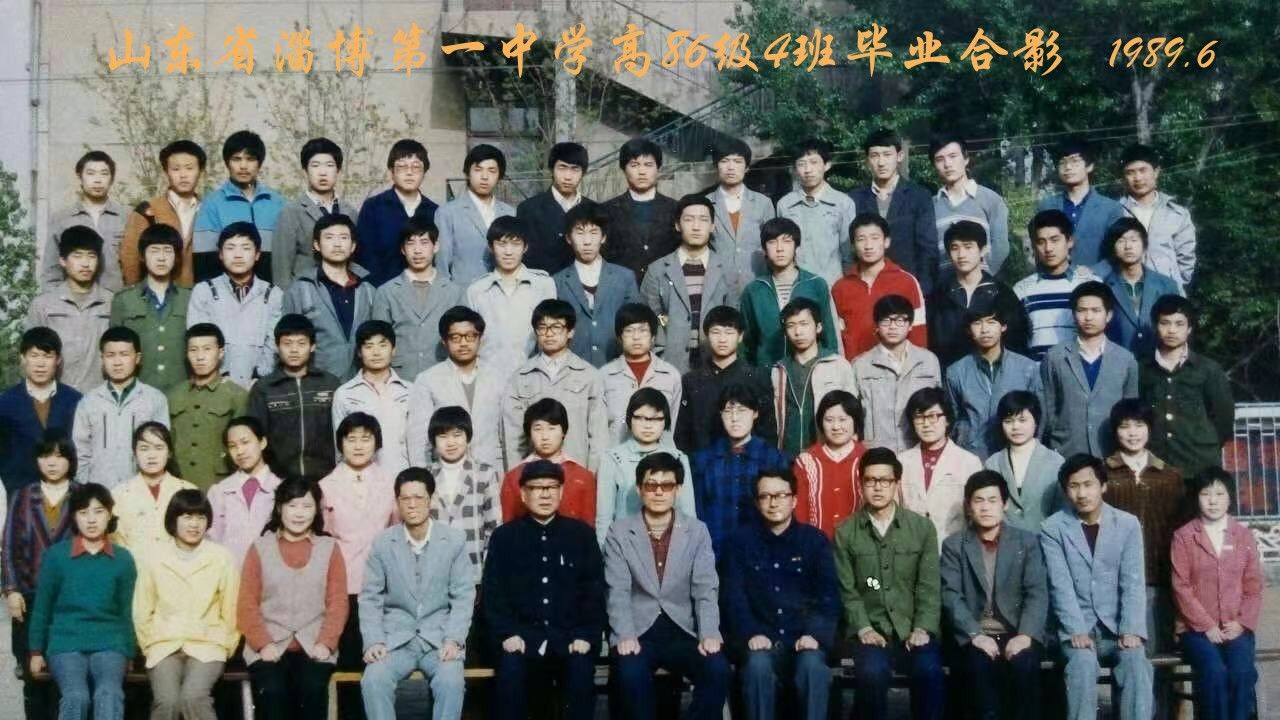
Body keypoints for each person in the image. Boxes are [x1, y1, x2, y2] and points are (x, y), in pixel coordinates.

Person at [605, 451, 730, 720]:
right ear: (639, 489)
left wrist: (709, 632)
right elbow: (618, 591)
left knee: (717, 668)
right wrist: (625, 634)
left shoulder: (697, 531)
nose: (659, 492)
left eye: (667, 485)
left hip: (683, 629)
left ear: (678, 489)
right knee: (630, 673)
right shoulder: (619, 532)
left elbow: (706, 589)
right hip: (639, 630)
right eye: (651, 485)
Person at [483, 460, 606, 720]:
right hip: (521, 636)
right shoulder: (504, 537)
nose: (545, 494)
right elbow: (494, 594)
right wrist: (507, 633)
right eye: (537, 488)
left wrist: (585, 635)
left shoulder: (581, 535)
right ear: (523, 494)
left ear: (561, 492)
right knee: (510, 675)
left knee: (581, 673)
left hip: (570, 637)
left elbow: (593, 592)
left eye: (551, 487)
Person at [1041, 454, 1154, 720]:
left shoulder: (1127, 524)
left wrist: (1131, 629)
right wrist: (1075, 630)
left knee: (1136, 662)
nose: (1081, 493)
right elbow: (1060, 586)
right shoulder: (1053, 528)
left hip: (1117, 629)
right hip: (1078, 628)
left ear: (1103, 486)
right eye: (1073, 486)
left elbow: (1133, 582)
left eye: (1088, 484)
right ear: (1065, 491)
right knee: (1081, 664)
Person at [833, 447, 943, 720]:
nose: (878, 487)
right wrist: (864, 628)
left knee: (929, 671)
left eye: (885, 480)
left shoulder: (922, 529)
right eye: (870, 480)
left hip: (913, 629)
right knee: (872, 673)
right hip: (870, 630)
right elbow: (848, 589)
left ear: (897, 483)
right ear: (861, 484)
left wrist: (922, 628)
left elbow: (929, 586)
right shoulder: (845, 532)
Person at [359, 467, 475, 720]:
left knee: (451, 681)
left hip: (439, 640)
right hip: (396, 641)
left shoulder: (453, 541)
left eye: (419, 498)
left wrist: (454, 639)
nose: (412, 505)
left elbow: (464, 596)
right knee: (373, 679)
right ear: (397, 502)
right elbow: (370, 597)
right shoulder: (383, 543)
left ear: (430, 499)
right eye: (405, 498)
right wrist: (374, 640)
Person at [723, 469, 838, 720]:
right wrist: (751, 633)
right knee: (757, 666)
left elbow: (828, 595)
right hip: (760, 640)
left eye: (781, 495)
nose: (773, 502)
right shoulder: (739, 542)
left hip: (803, 639)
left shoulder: (815, 541)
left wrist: (814, 634)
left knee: (813, 667)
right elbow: (733, 597)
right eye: (765, 496)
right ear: (757, 503)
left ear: (794, 500)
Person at [939, 470, 1048, 720]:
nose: (985, 507)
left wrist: (1025, 635)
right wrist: (975, 635)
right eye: (978, 500)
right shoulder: (954, 545)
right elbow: (951, 596)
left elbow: (1037, 593)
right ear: (968, 506)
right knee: (977, 673)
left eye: (992, 500)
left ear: (1005, 504)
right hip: (974, 634)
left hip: (1016, 631)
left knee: (1024, 667)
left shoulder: (1027, 542)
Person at [238, 477, 348, 720]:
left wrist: (326, 643)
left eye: (306, 506)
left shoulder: (329, 547)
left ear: (316, 510)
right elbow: (247, 603)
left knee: (312, 689)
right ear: (279, 508)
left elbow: (338, 602)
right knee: (272, 692)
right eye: (292, 505)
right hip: (268, 645)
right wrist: (262, 644)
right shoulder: (259, 547)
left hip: (315, 645)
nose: (299, 513)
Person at [27, 483, 138, 720]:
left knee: (109, 693)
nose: (91, 520)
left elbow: (126, 611)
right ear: (74, 517)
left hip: (110, 643)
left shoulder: (123, 559)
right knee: (76, 695)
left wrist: (129, 652)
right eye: (83, 512)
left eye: (98, 512)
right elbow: (42, 608)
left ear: (109, 514)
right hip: (66, 643)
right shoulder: (56, 556)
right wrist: (36, 651)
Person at [132, 488, 239, 720]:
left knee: (193, 697)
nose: (194, 524)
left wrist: (225, 643)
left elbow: (231, 609)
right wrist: (149, 644)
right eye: (187, 517)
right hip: (164, 644)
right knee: (167, 701)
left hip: (207, 644)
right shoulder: (154, 557)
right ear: (174, 519)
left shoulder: (221, 557)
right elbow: (142, 609)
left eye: (201, 517)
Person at [1171, 467, 1262, 720]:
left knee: (1242, 672)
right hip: (1195, 630)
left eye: (1220, 494)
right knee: (1214, 672)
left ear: (1230, 498)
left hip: (1236, 627)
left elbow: (1253, 588)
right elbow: (1181, 587)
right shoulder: (1184, 537)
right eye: (1206, 494)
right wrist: (1206, 625)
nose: (1213, 501)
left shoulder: (1243, 536)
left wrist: (1241, 624)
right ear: (1197, 497)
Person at [3, 431, 81, 720]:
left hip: (70, 600)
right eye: (46, 456)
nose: (52, 462)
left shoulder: (83, 495)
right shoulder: (23, 496)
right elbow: (9, 546)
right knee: (33, 678)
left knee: (67, 679)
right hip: (30, 597)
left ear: (70, 460)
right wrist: (11, 590)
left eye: (59, 456)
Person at [1103, 398, 1185, 653]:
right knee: (1126, 651)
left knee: (1160, 651)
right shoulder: (1102, 474)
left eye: (1139, 425)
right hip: (1114, 578)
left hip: (1158, 577)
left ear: (1150, 428)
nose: (1132, 433)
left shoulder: (1170, 476)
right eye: (1125, 426)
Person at [319, 412, 399, 675]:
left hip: (383, 582)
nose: (358, 445)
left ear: (377, 443)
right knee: (350, 658)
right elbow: (323, 538)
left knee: (380, 660)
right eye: (351, 439)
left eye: (366, 439)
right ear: (340, 444)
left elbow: (397, 531)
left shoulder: (391, 483)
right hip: (344, 582)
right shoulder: (325, 486)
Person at [502, 299, 610, 471]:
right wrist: (517, 478)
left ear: (570, 331)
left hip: (576, 472)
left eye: (556, 327)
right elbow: (513, 438)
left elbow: (598, 436)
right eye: (542, 327)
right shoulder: (520, 378)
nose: (549, 333)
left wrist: (591, 477)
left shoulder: (589, 375)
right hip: (534, 477)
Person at [640, 193, 739, 374]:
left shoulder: (727, 270)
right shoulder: (657, 270)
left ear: (712, 226)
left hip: (715, 362)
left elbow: (733, 318)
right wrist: (665, 340)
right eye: (688, 219)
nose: (696, 227)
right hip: (669, 361)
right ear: (677, 225)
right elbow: (652, 316)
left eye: (703, 220)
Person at [1040, 282, 1140, 458]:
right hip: (1066, 453)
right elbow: (1048, 409)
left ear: (1109, 315)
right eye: (1082, 310)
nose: (1088, 317)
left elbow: (1131, 411)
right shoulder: (1055, 356)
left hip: (1111, 453)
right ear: (1073, 314)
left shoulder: (1126, 359)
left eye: (1096, 310)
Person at [1140, 294, 1234, 479]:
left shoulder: (1209, 369)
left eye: (1179, 324)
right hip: (1155, 467)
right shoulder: (1141, 369)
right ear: (1155, 326)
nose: (1171, 330)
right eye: (1165, 323)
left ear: (1189, 329)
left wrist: (1205, 447)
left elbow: (1224, 418)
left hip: (1199, 466)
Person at [245, 314, 342, 483]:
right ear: (277, 347)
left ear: (312, 346)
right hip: (278, 481)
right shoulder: (264, 388)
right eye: (287, 343)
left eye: (301, 343)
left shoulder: (330, 384)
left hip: (327, 480)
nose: (294, 350)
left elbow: (343, 434)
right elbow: (254, 438)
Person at [407, 306, 505, 470]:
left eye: (470, 336)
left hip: (492, 470)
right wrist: (423, 476)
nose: (464, 343)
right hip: (444, 473)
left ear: (480, 338)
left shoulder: (498, 377)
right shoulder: (427, 380)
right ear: (444, 341)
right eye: (456, 337)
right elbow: (418, 437)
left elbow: (506, 433)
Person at [186, 222, 284, 385]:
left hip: (259, 386)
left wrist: (259, 379)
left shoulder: (274, 294)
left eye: (246, 248)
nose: (238, 255)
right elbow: (199, 342)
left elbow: (274, 343)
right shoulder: (204, 291)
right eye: (230, 248)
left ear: (257, 254)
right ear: (221, 254)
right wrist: (220, 381)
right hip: (215, 385)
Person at [280, 213, 376, 380]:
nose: (337, 244)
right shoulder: (299, 290)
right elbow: (287, 342)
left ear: (353, 246)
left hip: (361, 383)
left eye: (343, 237)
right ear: (317, 245)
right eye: (329, 237)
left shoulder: (368, 290)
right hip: (316, 383)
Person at [73, 326, 170, 487]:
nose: (117, 362)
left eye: (124, 354)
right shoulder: (89, 401)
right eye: (110, 355)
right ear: (102, 358)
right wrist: (87, 485)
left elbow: (161, 449)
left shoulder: (155, 399)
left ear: (137, 358)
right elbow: (80, 449)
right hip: (99, 489)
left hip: (141, 488)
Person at [597, 389, 696, 545]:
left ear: (665, 421)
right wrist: (606, 555)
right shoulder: (611, 459)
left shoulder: (679, 458)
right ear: (630, 419)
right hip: (624, 547)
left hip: (669, 546)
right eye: (640, 418)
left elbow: (688, 514)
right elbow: (604, 519)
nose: (648, 425)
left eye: (656, 419)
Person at [674, 306, 778, 453]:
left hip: (747, 461)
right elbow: (682, 434)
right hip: (701, 462)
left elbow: (768, 432)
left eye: (729, 332)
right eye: (716, 332)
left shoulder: (757, 378)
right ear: (707, 335)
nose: (722, 339)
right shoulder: (690, 381)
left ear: (740, 336)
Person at [371, 218, 465, 381]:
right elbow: (378, 341)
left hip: (443, 376)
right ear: (402, 249)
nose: (417, 250)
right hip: (399, 378)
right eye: (411, 243)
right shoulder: (386, 292)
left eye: (424, 242)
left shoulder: (455, 292)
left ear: (436, 246)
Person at [464, 215, 557, 379]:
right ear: (491, 247)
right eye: (501, 244)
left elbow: (552, 335)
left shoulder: (543, 285)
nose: (508, 252)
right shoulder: (476, 290)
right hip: (487, 379)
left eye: (515, 244)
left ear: (525, 247)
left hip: (533, 377)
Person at [944, 301, 1039, 460]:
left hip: (1016, 452)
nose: (984, 329)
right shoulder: (955, 371)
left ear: (1003, 326)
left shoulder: (1027, 368)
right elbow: (951, 417)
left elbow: (1039, 415)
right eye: (977, 323)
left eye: (991, 322)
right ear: (968, 330)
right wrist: (964, 436)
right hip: (971, 454)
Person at [927, 220, 1029, 368]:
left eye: (968, 247)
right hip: (948, 373)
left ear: (983, 250)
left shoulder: (1002, 294)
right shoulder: (938, 297)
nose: (961, 254)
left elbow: (1017, 341)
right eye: (955, 248)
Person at [739, 217, 840, 366]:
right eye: (772, 242)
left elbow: (829, 336)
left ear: (796, 247)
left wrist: (831, 369)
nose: (779, 248)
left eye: (786, 241)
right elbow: (747, 343)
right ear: (764, 249)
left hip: (811, 369)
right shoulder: (753, 290)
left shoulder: (816, 284)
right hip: (767, 370)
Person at [26, 225, 115, 392]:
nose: (85, 264)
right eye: (77, 256)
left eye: (91, 256)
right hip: (55, 397)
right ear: (62, 260)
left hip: (99, 397)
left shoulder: (112, 303)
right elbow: (30, 358)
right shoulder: (43, 305)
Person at [552, 201, 642, 367]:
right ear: (568, 238)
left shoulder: (624, 277)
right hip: (572, 369)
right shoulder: (556, 281)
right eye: (580, 233)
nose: (587, 241)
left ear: (603, 237)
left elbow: (636, 324)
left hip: (617, 368)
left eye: (594, 232)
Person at [851, 128, 940, 293]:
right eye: (875, 155)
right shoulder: (854, 199)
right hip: (866, 288)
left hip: (907, 288)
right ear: (867, 160)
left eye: (887, 154)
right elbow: (850, 251)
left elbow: (928, 250)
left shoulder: (919, 196)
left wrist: (922, 291)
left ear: (899, 156)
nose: (881, 162)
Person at [851, 295, 943, 452]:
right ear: (876, 325)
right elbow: (852, 414)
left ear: (910, 325)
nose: (893, 327)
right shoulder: (861, 365)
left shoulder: (928, 360)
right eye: (886, 321)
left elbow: (940, 408)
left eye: (900, 320)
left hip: (920, 449)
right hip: (877, 452)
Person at [832, 213, 928, 359]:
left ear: (886, 242)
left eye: (875, 238)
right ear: (853, 246)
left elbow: (918, 332)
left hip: (897, 368)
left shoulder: (907, 282)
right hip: (853, 367)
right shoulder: (840, 288)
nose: (868, 246)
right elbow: (836, 338)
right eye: (861, 239)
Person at [192, 130, 284, 281]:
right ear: (227, 163)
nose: (243, 166)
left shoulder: (279, 203)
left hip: (272, 289)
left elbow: (287, 256)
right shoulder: (212, 204)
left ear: (259, 163)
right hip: (226, 290)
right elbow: (204, 261)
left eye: (250, 159)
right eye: (236, 159)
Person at [111, 224, 193, 391]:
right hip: (138, 394)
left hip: (182, 394)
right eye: (154, 251)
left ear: (177, 257)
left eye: (168, 251)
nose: (161, 258)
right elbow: (114, 351)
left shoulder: (190, 298)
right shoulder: (124, 299)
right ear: (142, 256)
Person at [0, 327, 82, 496]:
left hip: (66, 496)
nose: (40, 363)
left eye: (47, 356)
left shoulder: (76, 401)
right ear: (23, 358)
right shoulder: (5, 403)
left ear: (58, 360)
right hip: (19, 496)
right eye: (34, 355)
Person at [770, 297, 855, 456]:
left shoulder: (838, 365)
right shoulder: (778, 369)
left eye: (804, 324)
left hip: (827, 453)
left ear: (818, 327)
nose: (798, 332)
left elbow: (853, 414)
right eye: (791, 326)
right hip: (787, 455)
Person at [167, 323, 249, 488]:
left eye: (207, 349)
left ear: (220, 352)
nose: (200, 357)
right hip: (179, 484)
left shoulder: (237, 395)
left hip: (220, 484)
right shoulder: (174, 394)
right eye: (193, 350)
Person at [898, 387, 984, 544]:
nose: (926, 424)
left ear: (947, 419)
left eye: (933, 416)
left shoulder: (969, 462)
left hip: (953, 548)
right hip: (911, 548)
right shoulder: (901, 461)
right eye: (919, 417)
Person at [425, 405, 502, 577]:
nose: (450, 442)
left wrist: (488, 568)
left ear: (468, 437)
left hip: (474, 568)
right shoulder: (426, 475)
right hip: (434, 570)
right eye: (443, 436)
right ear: (434, 441)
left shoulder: (485, 473)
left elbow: (494, 527)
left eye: (457, 435)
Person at [119, 140, 205, 288]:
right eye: (176, 169)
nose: (183, 175)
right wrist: (137, 295)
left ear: (201, 172)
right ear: (166, 173)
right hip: (157, 295)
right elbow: (130, 258)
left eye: (189, 168)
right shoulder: (148, 211)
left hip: (199, 295)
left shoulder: (209, 210)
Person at [1013, 210, 1098, 360]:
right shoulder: (1022, 290)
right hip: (1036, 371)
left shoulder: (1090, 284)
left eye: (1055, 240)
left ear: (1070, 241)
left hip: (1079, 370)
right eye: (1041, 242)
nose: (1048, 248)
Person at [332, 320, 412, 476]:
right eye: (369, 346)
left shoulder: (410, 391)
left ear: (393, 349)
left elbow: (419, 441)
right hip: (362, 479)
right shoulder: (345, 393)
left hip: (403, 476)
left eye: (382, 345)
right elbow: (340, 448)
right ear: (359, 352)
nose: (376, 352)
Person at [1093, 217, 1182, 357]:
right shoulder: (1102, 286)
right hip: (1117, 361)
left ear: (1144, 245)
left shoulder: (1167, 285)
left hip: (1158, 362)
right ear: (1113, 248)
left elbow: (1178, 327)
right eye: (1121, 241)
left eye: (1134, 240)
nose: (1128, 246)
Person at [500, 399, 597, 526]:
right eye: (538, 429)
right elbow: (508, 529)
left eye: (552, 428)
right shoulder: (513, 478)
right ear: (529, 433)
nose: (545, 436)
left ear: (563, 432)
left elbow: (588, 529)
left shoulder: (583, 477)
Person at [356, 139, 439, 287]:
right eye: (401, 167)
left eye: (416, 167)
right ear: (392, 172)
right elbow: (364, 257)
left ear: (424, 172)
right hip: (381, 290)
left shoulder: (434, 210)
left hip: (426, 291)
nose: (409, 172)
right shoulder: (373, 207)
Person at [111, 422, 198, 563]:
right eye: (144, 448)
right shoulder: (118, 494)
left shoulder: (188, 490)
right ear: (134, 453)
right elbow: (115, 543)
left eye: (159, 448)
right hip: (135, 570)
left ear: (169, 453)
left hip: (178, 570)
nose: (151, 455)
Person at [1036, 137, 1129, 268]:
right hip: (1055, 278)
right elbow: (1039, 250)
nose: (1068, 167)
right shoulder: (1046, 206)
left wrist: (1092, 274)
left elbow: (1117, 254)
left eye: (1075, 161)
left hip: (1096, 279)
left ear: (1089, 166)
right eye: (1062, 162)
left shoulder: (1111, 208)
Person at [41, 150, 127, 291]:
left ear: (111, 179)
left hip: (117, 299)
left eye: (104, 174)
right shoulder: (61, 218)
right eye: (91, 173)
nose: (98, 180)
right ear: (79, 177)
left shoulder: (126, 216)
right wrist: (55, 301)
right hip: (74, 301)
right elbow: (51, 271)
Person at [777, 138, 858, 286]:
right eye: (801, 164)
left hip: (832, 286)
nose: (808, 170)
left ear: (827, 165)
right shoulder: (785, 204)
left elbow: (849, 254)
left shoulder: (843, 203)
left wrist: (846, 287)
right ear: (794, 169)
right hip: (795, 286)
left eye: (814, 162)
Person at [1118, 143, 1196, 293]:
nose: (1137, 178)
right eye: (1130, 172)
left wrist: (1173, 282)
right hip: (1128, 292)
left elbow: (1186, 259)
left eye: (1143, 170)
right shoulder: (1114, 212)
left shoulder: (1177, 214)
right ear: (1124, 177)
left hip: (1168, 293)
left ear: (1156, 172)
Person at [983, 391, 1066, 532]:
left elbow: (1062, 511)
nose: (1015, 427)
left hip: (1045, 540)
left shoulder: (1055, 462)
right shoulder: (992, 463)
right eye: (1008, 421)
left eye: (1022, 420)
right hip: (1004, 541)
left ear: (1036, 421)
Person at [929, 132, 1010, 276]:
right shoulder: (930, 205)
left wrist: (982, 277)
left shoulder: (991, 199)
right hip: (943, 286)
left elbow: (1001, 247)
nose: (947, 164)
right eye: (940, 159)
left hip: (981, 283)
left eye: (953, 156)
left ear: (966, 158)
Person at [436, 144, 518, 285]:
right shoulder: (447, 213)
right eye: (478, 170)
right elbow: (442, 265)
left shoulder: (510, 212)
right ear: (467, 173)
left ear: (500, 176)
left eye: (492, 171)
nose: (485, 177)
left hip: (503, 291)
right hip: (463, 293)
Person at [601, 303, 683, 443]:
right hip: (617, 453)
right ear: (619, 337)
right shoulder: (604, 376)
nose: (636, 337)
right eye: (629, 331)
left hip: (660, 455)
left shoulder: (670, 375)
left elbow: (672, 425)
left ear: (653, 337)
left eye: (643, 330)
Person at [601, 138, 679, 281]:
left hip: (664, 286)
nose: (642, 171)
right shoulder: (606, 210)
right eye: (634, 165)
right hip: (623, 287)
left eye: (648, 165)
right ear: (624, 169)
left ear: (658, 168)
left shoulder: (676, 208)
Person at [208, 416, 282, 566]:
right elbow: (211, 541)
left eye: (245, 442)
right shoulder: (219, 491)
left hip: (271, 573)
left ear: (262, 442)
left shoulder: (281, 489)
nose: (240, 451)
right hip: (230, 574)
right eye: (232, 446)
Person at [272, 137, 346, 288]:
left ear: (338, 170)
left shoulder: (350, 212)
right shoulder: (291, 212)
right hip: (304, 293)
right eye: (315, 165)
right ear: (305, 170)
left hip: (343, 291)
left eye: (329, 165)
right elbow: (282, 269)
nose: (323, 172)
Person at [793, 390, 866, 539]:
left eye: (843, 419)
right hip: (816, 545)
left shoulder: (867, 459)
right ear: (821, 422)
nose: (836, 427)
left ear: (855, 421)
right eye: (829, 420)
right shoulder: (805, 461)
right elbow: (799, 514)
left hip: (858, 547)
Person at [705, 137, 777, 287]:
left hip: (757, 283)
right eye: (724, 161)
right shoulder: (705, 204)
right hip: (718, 286)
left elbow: (772, 245)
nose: (731, 167)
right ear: (716, 166)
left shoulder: (763, 203)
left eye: (737, 161)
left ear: (747, 167)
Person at [517, 142, 590, 274]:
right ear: (551, 169)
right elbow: (526, 260)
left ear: (583, 173)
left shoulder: (593, 209)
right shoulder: (528, 209)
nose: (568, 176)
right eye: (562, 168)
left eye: (575, 169)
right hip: (545, 284)